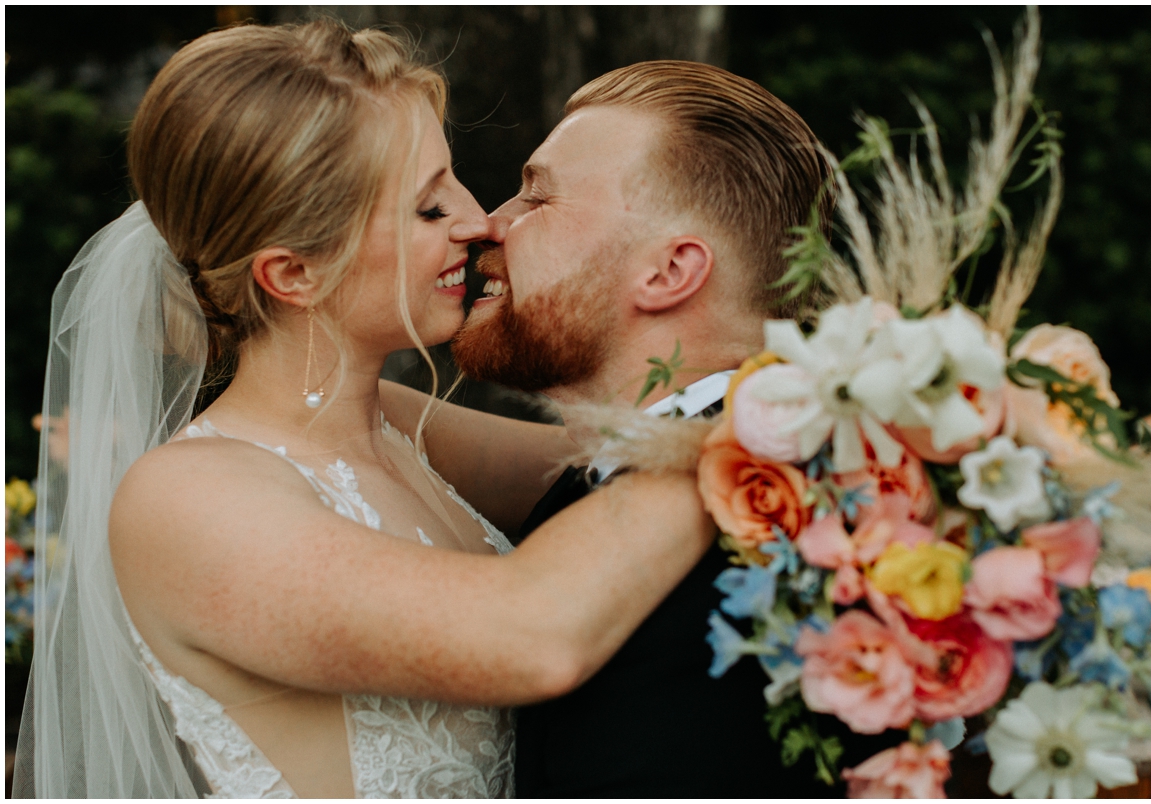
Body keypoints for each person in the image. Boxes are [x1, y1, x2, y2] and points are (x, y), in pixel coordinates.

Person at [12, 22, 716, 799]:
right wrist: (775, 407)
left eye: (452, 180)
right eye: (426, 209)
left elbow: (613, 467)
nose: (478, 222)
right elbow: (534, 633)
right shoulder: (186, 498)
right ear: (295, 273)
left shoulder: (402, 428)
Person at [451, 61, 904, 796]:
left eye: (537, 195)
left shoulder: (743, 557)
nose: (489, 222)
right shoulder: (636, 472)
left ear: (667, 272)